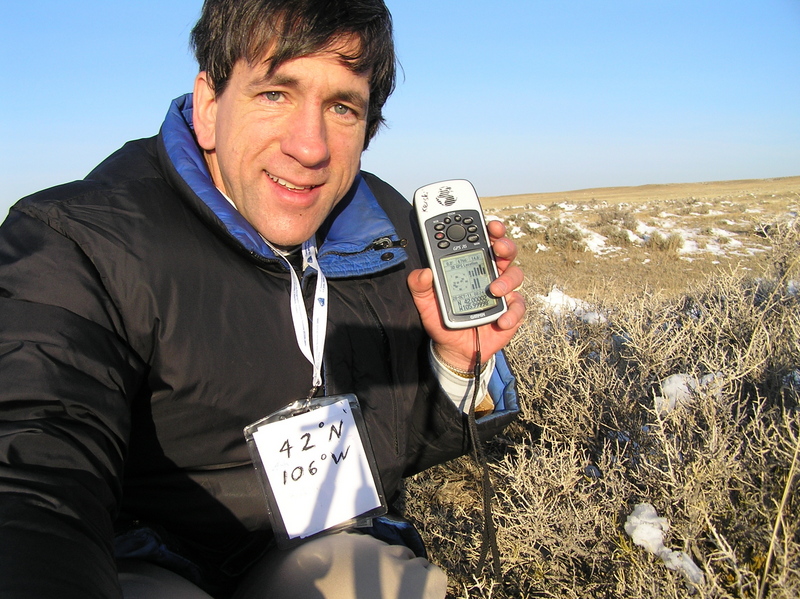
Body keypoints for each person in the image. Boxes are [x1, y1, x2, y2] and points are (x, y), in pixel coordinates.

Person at [0, 0, 525, 597]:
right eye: (276, 93)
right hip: (145, 560)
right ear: (208, 105)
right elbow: (32, 471)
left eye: (341, 107)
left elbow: (401, 438)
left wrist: (457, 364)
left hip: (325, 549)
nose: (310, 147)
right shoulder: (73, 241)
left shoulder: (388, 231)